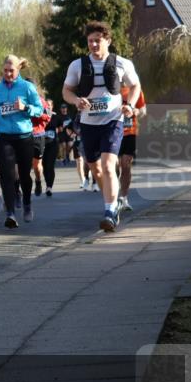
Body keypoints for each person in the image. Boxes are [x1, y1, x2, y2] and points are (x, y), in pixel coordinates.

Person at [62, 21, 141, 231]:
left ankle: (109, 212)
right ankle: (111, 202)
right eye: (90, 41)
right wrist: (76, 100)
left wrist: (129, 105)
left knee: (108, 166)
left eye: (98, 41)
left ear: (108, 41)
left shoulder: (122, 63)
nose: (94, 45)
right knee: (96, 169)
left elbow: (135, 86)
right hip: (88, 124)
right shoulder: (77, 65)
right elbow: (66, 90)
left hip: (112, 121)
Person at [0, 55, 43, 228]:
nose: (8, 73)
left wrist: (25, 108)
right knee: (6, 175)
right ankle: (10, 213)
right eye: (5, 70)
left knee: (23, 175)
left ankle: (27, 203)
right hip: (4, 136)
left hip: (24, 137)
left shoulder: (27, 87)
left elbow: (39, 110)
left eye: (11, 70)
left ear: (18, 69)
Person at [117, 83, 146, 212]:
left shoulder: (135, 89)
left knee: (126, 164)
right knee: (113, 166)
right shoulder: (109, 88)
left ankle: (123, 198)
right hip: (113, 132)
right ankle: (113, 196)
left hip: (130, 133)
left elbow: (143, 109)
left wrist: (137, 111)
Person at [28, 85, 52, 197]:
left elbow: (48, 117)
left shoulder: (41, 101)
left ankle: (38, 180)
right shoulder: (18, 99)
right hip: (22, 135)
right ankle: (21, 189)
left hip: (37, 135)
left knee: (36, 165)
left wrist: (34, 112)